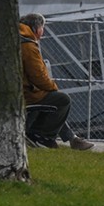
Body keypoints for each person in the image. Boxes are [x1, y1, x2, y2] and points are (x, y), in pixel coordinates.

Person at [20, 13, 94, 150]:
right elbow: (38, 77)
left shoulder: (19, 40)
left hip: (23, 90)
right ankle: (41, 136)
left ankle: (73, 139)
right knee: (61, 99)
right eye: (42, 28)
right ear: (36, 28)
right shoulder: (28, 45)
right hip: (26, 94)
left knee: (51, 100)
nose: (43, 32)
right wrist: (53, 87)